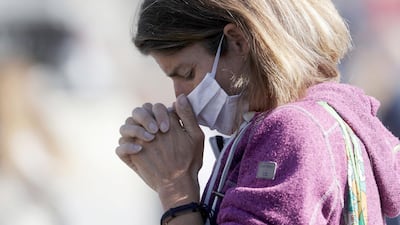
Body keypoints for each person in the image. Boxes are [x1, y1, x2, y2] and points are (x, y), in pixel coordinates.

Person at [116, 0, 400, 224]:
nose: (180, 96)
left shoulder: (293, 132)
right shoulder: (305, 122)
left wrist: (175, 188)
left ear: (238, 41)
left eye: (187, 73)